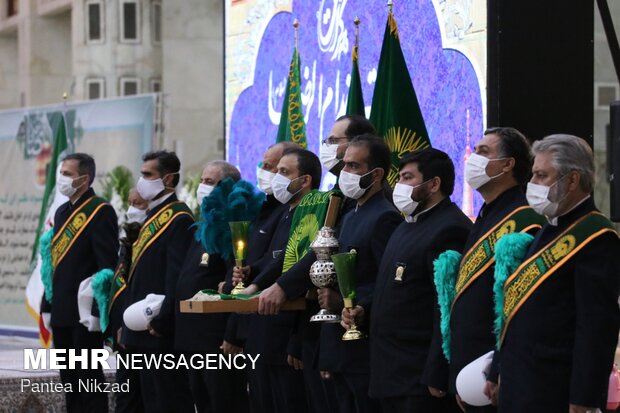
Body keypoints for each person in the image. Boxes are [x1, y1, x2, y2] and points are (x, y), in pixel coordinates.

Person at [341, 148, 471, 412]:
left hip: (419, 378)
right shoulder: (406, 225)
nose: (399, 186)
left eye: (408, 178)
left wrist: (437, 371)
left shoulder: (449, 228)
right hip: (390, 373)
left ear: (434, 184)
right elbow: (391, 291)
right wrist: (363, 311)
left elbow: (444, 307)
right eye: (399, 178)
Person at [498, 134, 620, 412]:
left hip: (556, 389)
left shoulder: (595, 236)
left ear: (572, 180)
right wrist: (498, 371)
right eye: (533, 175)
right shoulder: (548, 229)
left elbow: (596, 327)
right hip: (521, 383)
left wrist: (584, 396)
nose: (533, 184)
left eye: (542, 175)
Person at [434, 127, 545, 412]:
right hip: (469, 373)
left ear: (508, 165)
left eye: (484, 152)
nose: (473, 158)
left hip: (493, 375)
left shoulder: (525, 220)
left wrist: (496, 372)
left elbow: (513, 311)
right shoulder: (486, 216)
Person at [318, 134, 402, 413]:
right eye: (344, 166)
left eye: (353, 167)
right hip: (340, 349)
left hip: (363, 349)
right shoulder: (350, 213)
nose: (345, 173)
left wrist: (354, 305)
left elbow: (385, 282)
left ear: (376, 174)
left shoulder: (384, 216)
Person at [234, 147, 321, 413]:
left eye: (284, 172)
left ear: (304, 180)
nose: (276, 177)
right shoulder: (285, 212)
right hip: (264, 333)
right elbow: (277, 258)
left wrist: (257, 284)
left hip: (287, 335)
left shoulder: (313, 211)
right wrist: (252, 273)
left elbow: (297, 262)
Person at [40, 153, 118, 413]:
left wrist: (98, 311)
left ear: (84, 179)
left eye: (67, 173)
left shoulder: (100, 210)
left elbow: (107, 264)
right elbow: (54, 264)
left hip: (85, 315)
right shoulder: (62, 212)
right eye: (60, 172)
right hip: (62, 309)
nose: (60, 178)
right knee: (69, 382)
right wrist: (47, 303)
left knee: (88, 381)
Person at [121, 150, 195, 413]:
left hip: (158, 333)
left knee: (165, 403)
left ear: (169, 180)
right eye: (141, 174)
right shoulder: (151, 215)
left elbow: (176, 277)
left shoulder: (178, 218)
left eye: (148, 175)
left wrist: (163, 321)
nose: (141, 181)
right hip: (137, 331)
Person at [174, 160, 249, 413]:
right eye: (202, 181)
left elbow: (236, 288)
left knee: (225, 403)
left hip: (217, 341)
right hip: (193, 339)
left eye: (210, 182)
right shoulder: (203, 225)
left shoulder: (233, 226)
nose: (202, 187)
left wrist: (232, 334)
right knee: (202, 403)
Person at [106, 188, 148, 413]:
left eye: (138, 204)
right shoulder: (130, 238)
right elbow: (122, 286)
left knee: (143, 397)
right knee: (126, 399)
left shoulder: (153, 241)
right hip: (124, 333)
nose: (132, 209)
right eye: (130, 203)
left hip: (145, 329)